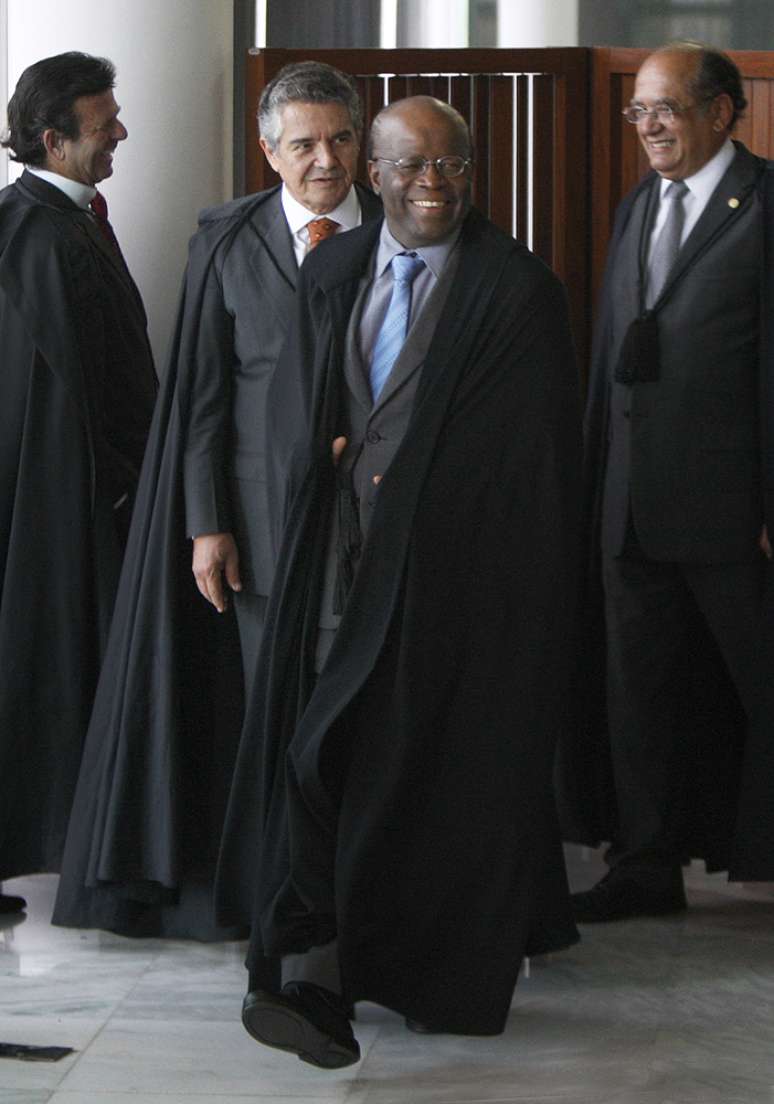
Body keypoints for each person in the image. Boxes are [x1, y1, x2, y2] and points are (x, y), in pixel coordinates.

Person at [222, 95, 583, 1068]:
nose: (435, 186)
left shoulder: (516, 292)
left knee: (415, 786)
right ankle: (310, 968)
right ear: (371, 177)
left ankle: (351, 980)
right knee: (317, 760)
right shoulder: (334, 270)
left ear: (475, 170)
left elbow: (538, 470)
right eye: (413, 167)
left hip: (457, 595)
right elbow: (306, 416)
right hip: (340, 576)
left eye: (454, 166)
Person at [51, 62, 381, 938]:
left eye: (341, 138)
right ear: (269, 150)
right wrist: (206, 525)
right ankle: (280, 895)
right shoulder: (228, 243)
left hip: (374, 529)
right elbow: (200, 398)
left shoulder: (399, 234)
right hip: (257, 530)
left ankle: (355, 890)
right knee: (269, 715)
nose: (325, 160)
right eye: (303, 143)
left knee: (358, 710)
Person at [565, 43, 772, 923]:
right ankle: (646, 863)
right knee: (637, 695)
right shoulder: (637, 206)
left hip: (738, 510)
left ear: (723, 113)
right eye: (637, 112)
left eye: (666, 109)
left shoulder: (765, 202)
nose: (648, 126)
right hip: (632, 507)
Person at [0, 53, 156, 916]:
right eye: (104, 124)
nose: (122, 133)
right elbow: (78, 392)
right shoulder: (38, 234)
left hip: (84, 497)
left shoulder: (60, 220)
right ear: (54, 139)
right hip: (66, 507)